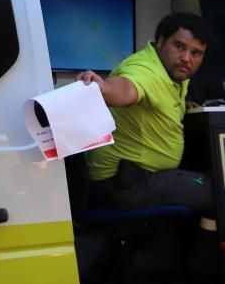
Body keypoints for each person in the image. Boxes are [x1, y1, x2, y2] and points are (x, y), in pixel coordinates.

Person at [79, 13, 214, 216]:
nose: (186, 58)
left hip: (139, 176)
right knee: (222, 192)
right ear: (160, 41)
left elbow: (155, 97)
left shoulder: (175, 72)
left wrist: (181, 106)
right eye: (179, 46)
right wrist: (103, 88)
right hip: (122, 182)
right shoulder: (145, 70)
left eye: (196, 53)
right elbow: (127, 88)